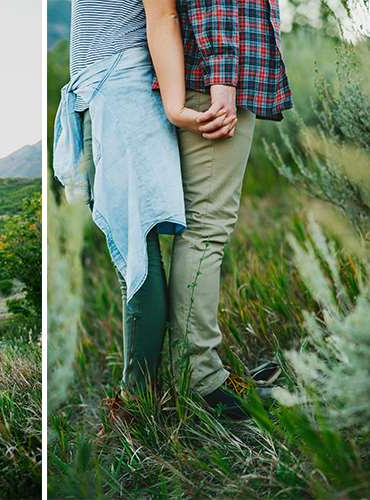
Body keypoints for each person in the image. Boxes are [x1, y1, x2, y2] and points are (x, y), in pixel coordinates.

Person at [52, 0, 234, 401]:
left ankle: (138, 398)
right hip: (108, 89)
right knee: (134, 250)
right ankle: (155, 387)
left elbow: (163, 14)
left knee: (135, 253)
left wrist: (173, 106)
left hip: (122, 90)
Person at [146, 0, 291, 419]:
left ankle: (196, 369)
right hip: (214, 84)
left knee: (204, 229)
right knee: (207, 230)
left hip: (212, 77)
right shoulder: (219, 79)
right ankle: (200, 379)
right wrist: (223, 78)